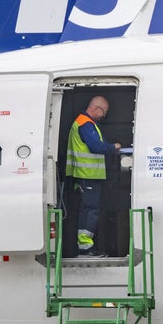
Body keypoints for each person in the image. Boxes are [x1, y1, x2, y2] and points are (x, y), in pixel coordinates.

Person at [65, 95, 121, 256]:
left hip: (86, 175)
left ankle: (85, 247)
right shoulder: (86, 124)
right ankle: (85, 248)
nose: (104, 116)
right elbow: (96, 146)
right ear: (95, 108)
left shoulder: (85, 123)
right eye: (104, 112)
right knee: (90, 211)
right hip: (87, 175)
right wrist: (113, 147)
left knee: (88, 210)